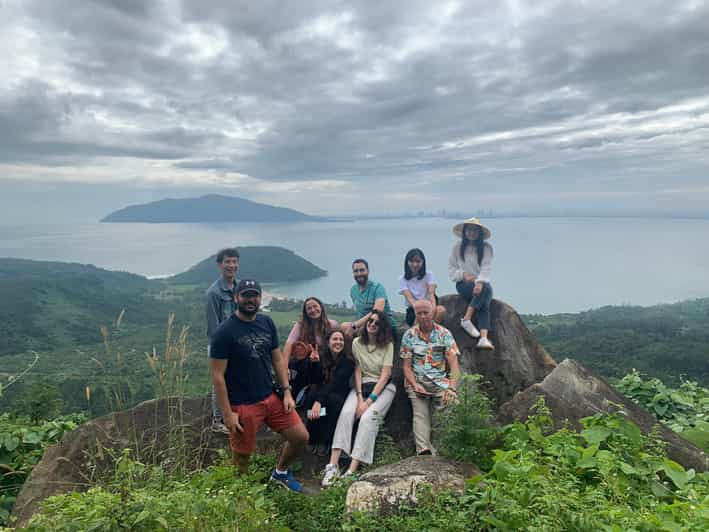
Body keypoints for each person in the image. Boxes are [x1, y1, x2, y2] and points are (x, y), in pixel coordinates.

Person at [210, 279, 309, 492]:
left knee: (300, 437)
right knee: (242, 457)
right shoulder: (224, 332)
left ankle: (280, 473)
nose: (250, 299)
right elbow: (217, 376)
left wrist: (286, 392)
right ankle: (241, 498)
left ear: (260, 298)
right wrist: (227, 414)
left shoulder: (266, 323)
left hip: (270, 397)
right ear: (236, 298)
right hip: (242, 405)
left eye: (254, 295)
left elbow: (277, 359)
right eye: (245, 295)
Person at [321, 310, 396, 486]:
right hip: (361, 386)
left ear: (382, 327)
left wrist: (368, 403)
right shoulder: (356, 343)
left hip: (383, 387)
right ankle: (332, 465)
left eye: (377, 323)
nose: (372, 324)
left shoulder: (388, 345)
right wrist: (361, 398)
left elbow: (385, 376)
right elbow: (358, 370)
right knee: (347, 412)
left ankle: (351, 470)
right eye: (370, 321)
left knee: (368, 418)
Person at [400, 300, 461, 455]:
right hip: (417, 380)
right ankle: (424, 452)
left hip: (439, 381)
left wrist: (452, 388)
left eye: (425, 312)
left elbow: (454, 364)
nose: (422, 316)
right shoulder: (409, 335)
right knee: (420, 413)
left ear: (432, 313)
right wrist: (415, 385)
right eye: (419, 313)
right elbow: (406, 366)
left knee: (451, 404)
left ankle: (443, 450)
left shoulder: (444, 334)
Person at [304, 329, 355, 457]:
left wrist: (319, 402)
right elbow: (314, 380)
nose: (338, 342)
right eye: (335, 339)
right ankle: (312, 437)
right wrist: (314, 364)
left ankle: (326, 441)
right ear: (328, 342)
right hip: (321, 392)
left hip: (337, 394)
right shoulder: (321, 356)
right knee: (310, 398)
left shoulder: (348, 362)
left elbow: (334, 383)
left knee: (331, 403)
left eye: (341, 339)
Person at [206, 247, 240, 434]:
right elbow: (214, 328)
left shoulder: (239, 287)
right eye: (228, 261)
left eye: (234, 261)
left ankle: (234, 412)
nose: (232, 265)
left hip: (238, 342)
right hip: (221, 345)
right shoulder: (214, 293)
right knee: (220, 380)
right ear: (220, 265)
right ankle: (217, 419)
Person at [448, 217, 495, 350]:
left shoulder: (486, 248)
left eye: (475, 230)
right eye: (469, 230)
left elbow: (486, 268)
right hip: (464, 284)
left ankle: (481, 335)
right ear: (464, 231)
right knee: (486, 292)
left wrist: (479, 282)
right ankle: (479, 332)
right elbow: (451, 269)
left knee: (484, 297)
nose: (472, 233)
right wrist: (464, 275)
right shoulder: (457, 247)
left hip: (480, 284)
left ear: (480, 233)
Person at [284, 297, 339, 403]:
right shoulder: (301, 325)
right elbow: (289, 344)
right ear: (306, 312)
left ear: (321, 307)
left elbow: (340, 341)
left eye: (315, 306)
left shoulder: (332, 325)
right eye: (309, 308)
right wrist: (284, 368)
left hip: (326, 362)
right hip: (307, 363)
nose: (313, 310)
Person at [342, 258, 395, 336]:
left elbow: (377, 311)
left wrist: (355, 325)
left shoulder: (378, 288)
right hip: (365, 325)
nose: (359, 273)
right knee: (344, 327)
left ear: (368, 271)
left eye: (362, 270)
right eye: (356, 271)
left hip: (381, 324)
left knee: (356, 330)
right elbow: (360, 312)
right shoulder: (353, 290)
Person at [399, 248, 446, 327]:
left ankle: (431, 334)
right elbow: (411, 300)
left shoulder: (429, 275)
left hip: (430, 306)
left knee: (441, 310)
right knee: (419, 317)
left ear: (422, 262)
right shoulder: (402, 279)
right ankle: (420, 336)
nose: (415, 264)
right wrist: (422, 312)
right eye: (412, 261)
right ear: (407, 262)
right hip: (414, 309)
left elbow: (431, 294)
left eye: (418, 261)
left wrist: (432, 309)